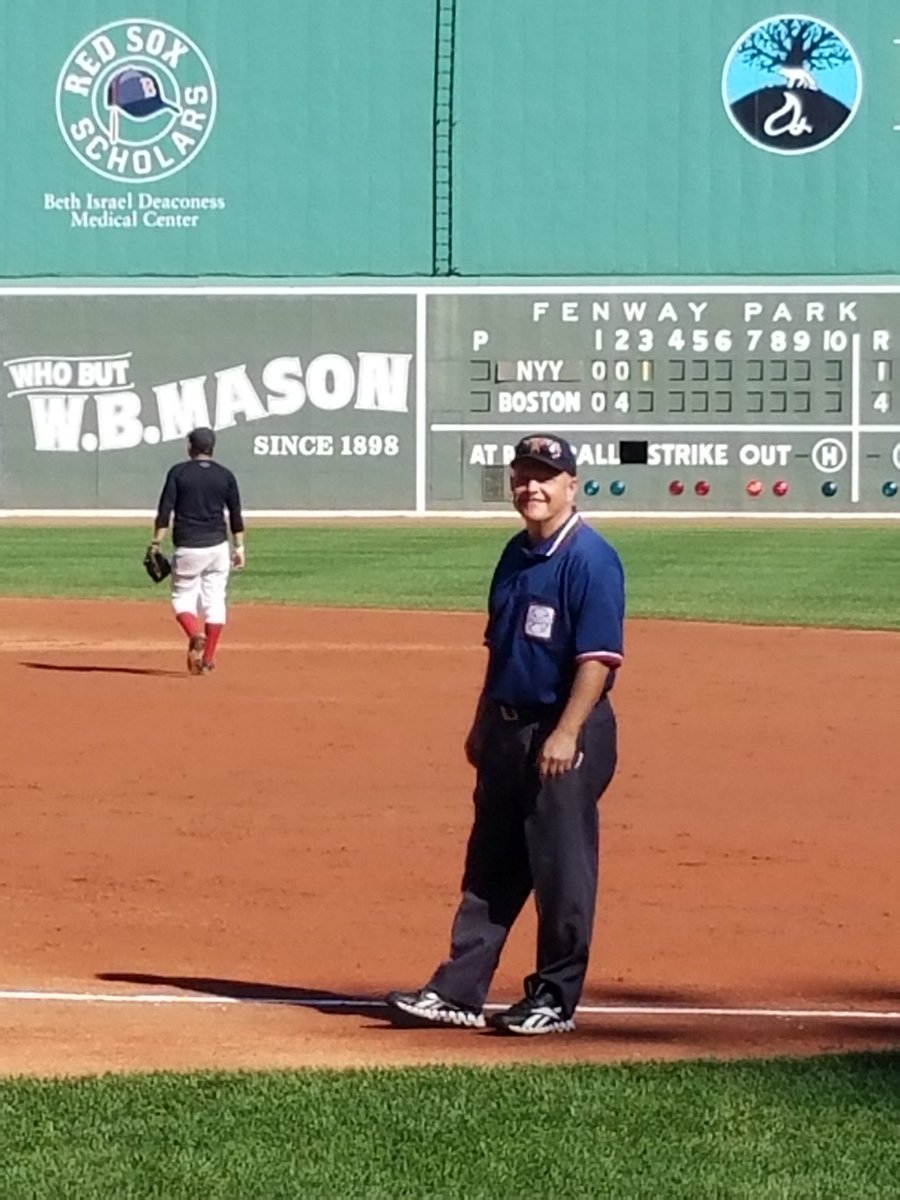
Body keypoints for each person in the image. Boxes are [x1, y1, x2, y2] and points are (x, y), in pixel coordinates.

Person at [386, 433, 625, 1035]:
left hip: (564, 732)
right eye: (522, 476)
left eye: (545, 476)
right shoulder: (516, 554)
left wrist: (566, 733)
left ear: (572, 484)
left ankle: (554, 997)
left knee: (561, 869)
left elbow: (597, 658)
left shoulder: (591, 559)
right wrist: (482, 724)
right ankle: (459, 991)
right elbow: (501, 648)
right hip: (508, 728)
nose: (532, 487)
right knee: (490, 864)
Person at [151, 426, 246, 675]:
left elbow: (165, 511)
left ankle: (195, 633)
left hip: (188, 547)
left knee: (182, 597)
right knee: (215, 601)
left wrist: (156, 542)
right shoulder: (225, 475)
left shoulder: (179, 472)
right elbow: (235, 515)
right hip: (218, 548)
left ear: (190, 447)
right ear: (212, 448)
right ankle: (209, 659)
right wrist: (240, 547)